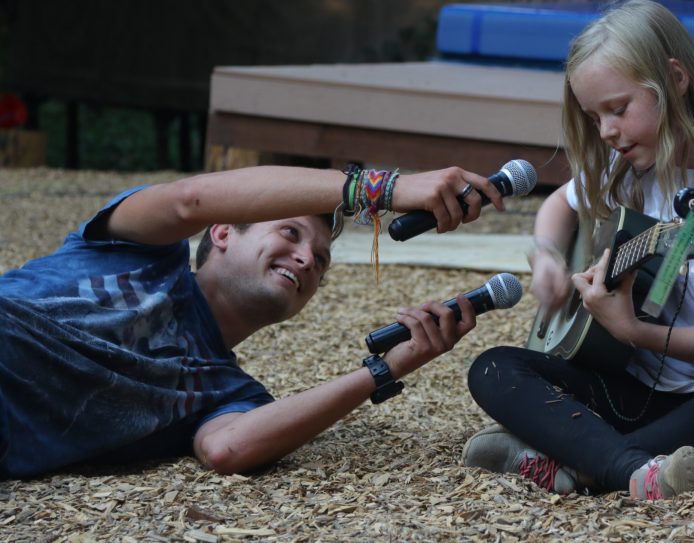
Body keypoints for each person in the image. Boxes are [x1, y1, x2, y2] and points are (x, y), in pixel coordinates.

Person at [462, 0, 694, 500]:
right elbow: (558, 207)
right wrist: (547, 258)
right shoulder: (629, 166)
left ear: (675, 79)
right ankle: (633, 469)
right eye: (594, 116)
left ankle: (584, 464)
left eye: (619, 109)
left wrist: (630, 330)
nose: (606, 131)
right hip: (640, 391)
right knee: (494, 367)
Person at [0, 163, 505, 478]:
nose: (307, 259)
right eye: (290, 232)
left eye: (321, 260)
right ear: (222, 232)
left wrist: (391, 366)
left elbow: (228, 449)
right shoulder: (136, 248)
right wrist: (383, 188)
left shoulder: (227, 394)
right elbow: (188, 199)